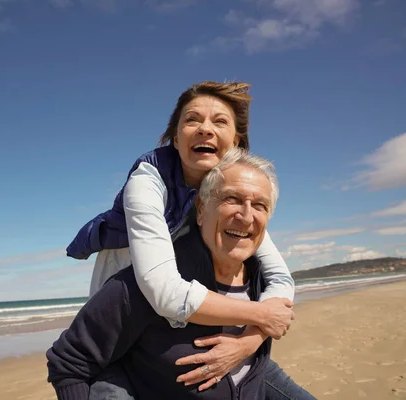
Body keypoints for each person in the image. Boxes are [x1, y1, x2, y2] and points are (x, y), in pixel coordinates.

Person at [65, 81, 296, 389]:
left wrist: (248, 342)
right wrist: (261, 314)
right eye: (192, 120)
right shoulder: (147, 182)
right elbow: (164, 292)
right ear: (175, 139)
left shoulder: (228, 197)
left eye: (220, 121)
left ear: (236, 143)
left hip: (176, 328)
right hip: (122, 327)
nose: (205, 129)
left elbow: (280, 278)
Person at [47, 149, 309, 399]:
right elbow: (69, 361)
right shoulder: (143, 285)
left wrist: (248, 342)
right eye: (232, 199)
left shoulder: (263, 281)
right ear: (201, 210)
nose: (246, 215)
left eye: (260, 205)